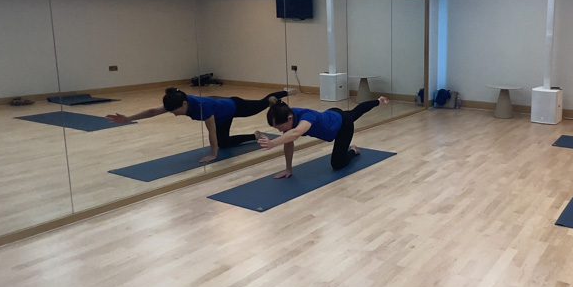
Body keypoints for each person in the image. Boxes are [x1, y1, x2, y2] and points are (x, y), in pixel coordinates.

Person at [106, 88, 293, 163]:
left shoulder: (202, 108)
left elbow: (211, 131)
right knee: (225, 143)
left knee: (262, 104)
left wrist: (213, 153)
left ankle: (280, 96)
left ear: (185, 105)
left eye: (175, 111)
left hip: (234, 106)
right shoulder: (178, 102)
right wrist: (128, 118)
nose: (174, 114)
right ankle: (255, 136)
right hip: (221, 113)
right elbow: (153, 111)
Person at [258, 96, 389, 178]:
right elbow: (289, 141)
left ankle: (353, 150)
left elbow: (295, 133)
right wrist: (288, 169)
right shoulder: (288, 117)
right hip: (332, 114)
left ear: (290, 118)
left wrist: (272, 143)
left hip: (343, 125)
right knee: (355, 112)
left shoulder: (307, 117)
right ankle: (378, 101)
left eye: (279, 127)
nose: (280, 130)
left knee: (337, 164)